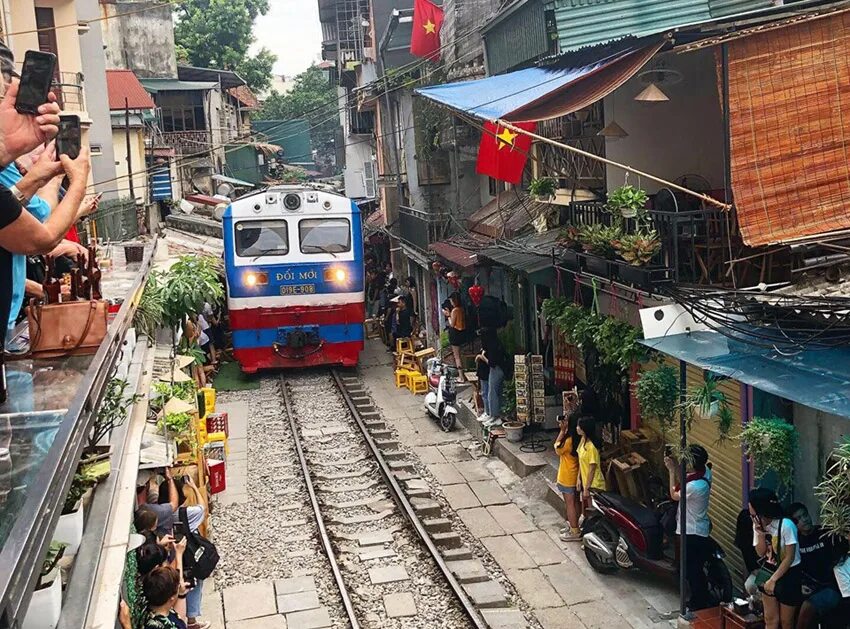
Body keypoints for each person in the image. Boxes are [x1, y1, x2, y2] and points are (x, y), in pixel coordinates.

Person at [664, 444, 714, 611]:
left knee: (692, 570)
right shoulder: (705, 473)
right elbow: (684, 480)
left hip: (690, 531)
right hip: (701, 528)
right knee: (695, 568)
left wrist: (671, 470)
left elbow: (674, 495)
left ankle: (698, 602)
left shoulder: (694, 486)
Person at [750, 487, 802, 629]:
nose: (751, 515)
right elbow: (760, 553)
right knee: (770, 619)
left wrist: (773, 580)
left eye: (753, 512)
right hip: (768, 569)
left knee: (786, 622)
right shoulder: (758, 525)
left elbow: (789, 557)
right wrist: (760, 534)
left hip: (788, 573)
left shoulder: (786, 525)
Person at [789, 502, 848, 629]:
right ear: (794, 524)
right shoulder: (795, 542)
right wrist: (800, 585)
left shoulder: (825, 533)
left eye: (805, 515)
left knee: (807, 606)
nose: (804, 520)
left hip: (833, 587)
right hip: (810, 586)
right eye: (799, 519)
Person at [554, 404, 581, 542]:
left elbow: (557, 447)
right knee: (576, 501)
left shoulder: (568, 441)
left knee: (569, 503)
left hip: (566, 476)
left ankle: (574, 531)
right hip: (576, 475)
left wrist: (562, 431)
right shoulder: (580, 440)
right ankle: (575, 525)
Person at [478, 326, 506, 428]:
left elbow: (492, 363)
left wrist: (482, 357)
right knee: (495, 392)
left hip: (496, 369)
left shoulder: (493, 346)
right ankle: (494, 415)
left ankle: (495, 416)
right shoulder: (495, 343)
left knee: (492, 393)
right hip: (499, 369)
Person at [576, 416, 606, 512]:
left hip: (594, 485)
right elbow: (581, 461)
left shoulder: (592, 447)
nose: (577, 428)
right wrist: (578, 478)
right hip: (586, 482)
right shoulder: (582, 441)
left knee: (595, 511)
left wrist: (587, 488)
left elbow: (592, 469)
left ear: (585, 429)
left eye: (579, 426)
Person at [735, 508, 762, 597]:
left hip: (775, 571)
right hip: (764, 572)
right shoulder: (745, 543)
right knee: (750, 585)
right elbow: (754, 570)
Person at [447, 292, 467, 383]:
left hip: (455, 334)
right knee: (459, 355)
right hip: (461, 333)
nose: (451, 302)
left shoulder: (455, 310)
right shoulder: (462, 309)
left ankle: (461, 376)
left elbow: (452, 324)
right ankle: (462, 374)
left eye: (451, 300)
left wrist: (448, 316)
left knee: (457, 356)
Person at [474, 346, 489, 422]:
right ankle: (486, 411)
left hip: (486, 374)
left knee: (485, 394)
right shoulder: (483, 347)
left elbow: (489, 361)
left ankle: (487, 412)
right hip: (482, 374)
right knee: (484, 394)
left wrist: (480, 357)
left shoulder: (489, 348)